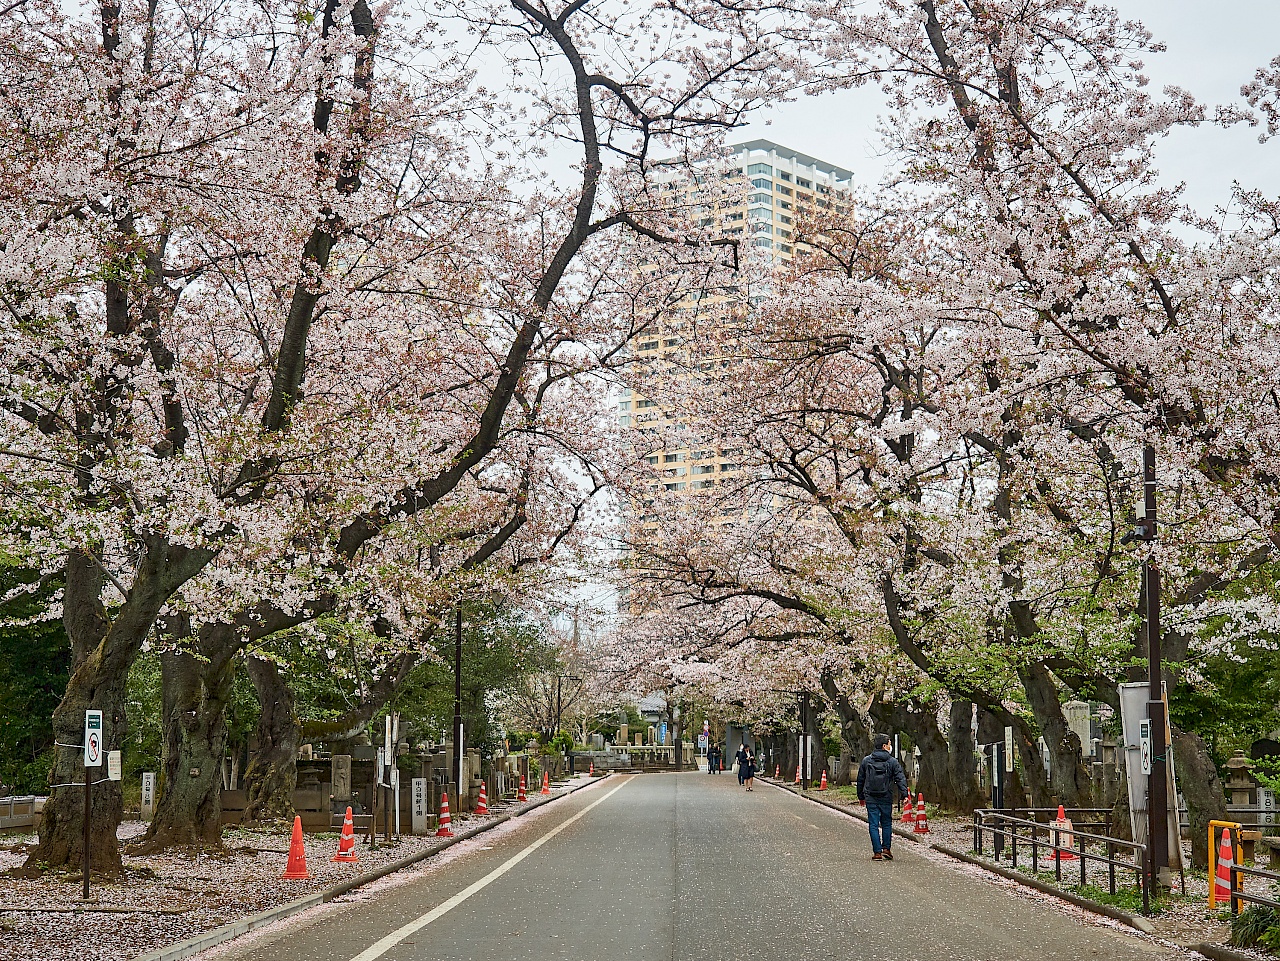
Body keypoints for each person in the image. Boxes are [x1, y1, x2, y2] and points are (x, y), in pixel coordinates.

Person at [856, 733, 909, 860]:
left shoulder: (867, 760)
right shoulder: (892, 762)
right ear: (885, 746)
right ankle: (886, 848)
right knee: (886, 823)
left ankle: (877, 852)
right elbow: (900, 778)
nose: (891, 746)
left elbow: (860, 780)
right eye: (890, 744)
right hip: (886, 796)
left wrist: (861, 796)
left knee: (873, 824)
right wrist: (905, 794)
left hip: (871, 797)